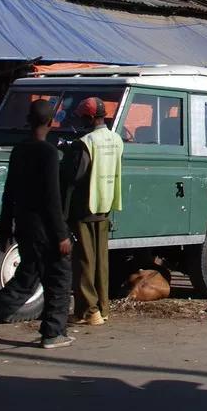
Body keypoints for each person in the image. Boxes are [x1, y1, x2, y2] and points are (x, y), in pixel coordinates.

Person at [0, 100, 73, 349]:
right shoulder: (48, 153)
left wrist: (6, 228)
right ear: (51, 122)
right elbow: (52, 198)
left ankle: (52, 331)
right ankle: (53, 332)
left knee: (27, 279)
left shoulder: (19, 151)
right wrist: (61, 234)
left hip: (25, 226)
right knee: (59, 278)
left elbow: (9, 193)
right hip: (46, 230)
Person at [62, 97, 123, 327]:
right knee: (101, 262)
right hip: (105, 205)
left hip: (85, 207)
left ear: (88, 118)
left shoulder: (85, 142)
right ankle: (103, 308)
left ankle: (89, 311)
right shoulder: (116, 139)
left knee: (84, 263)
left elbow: (75, 176)